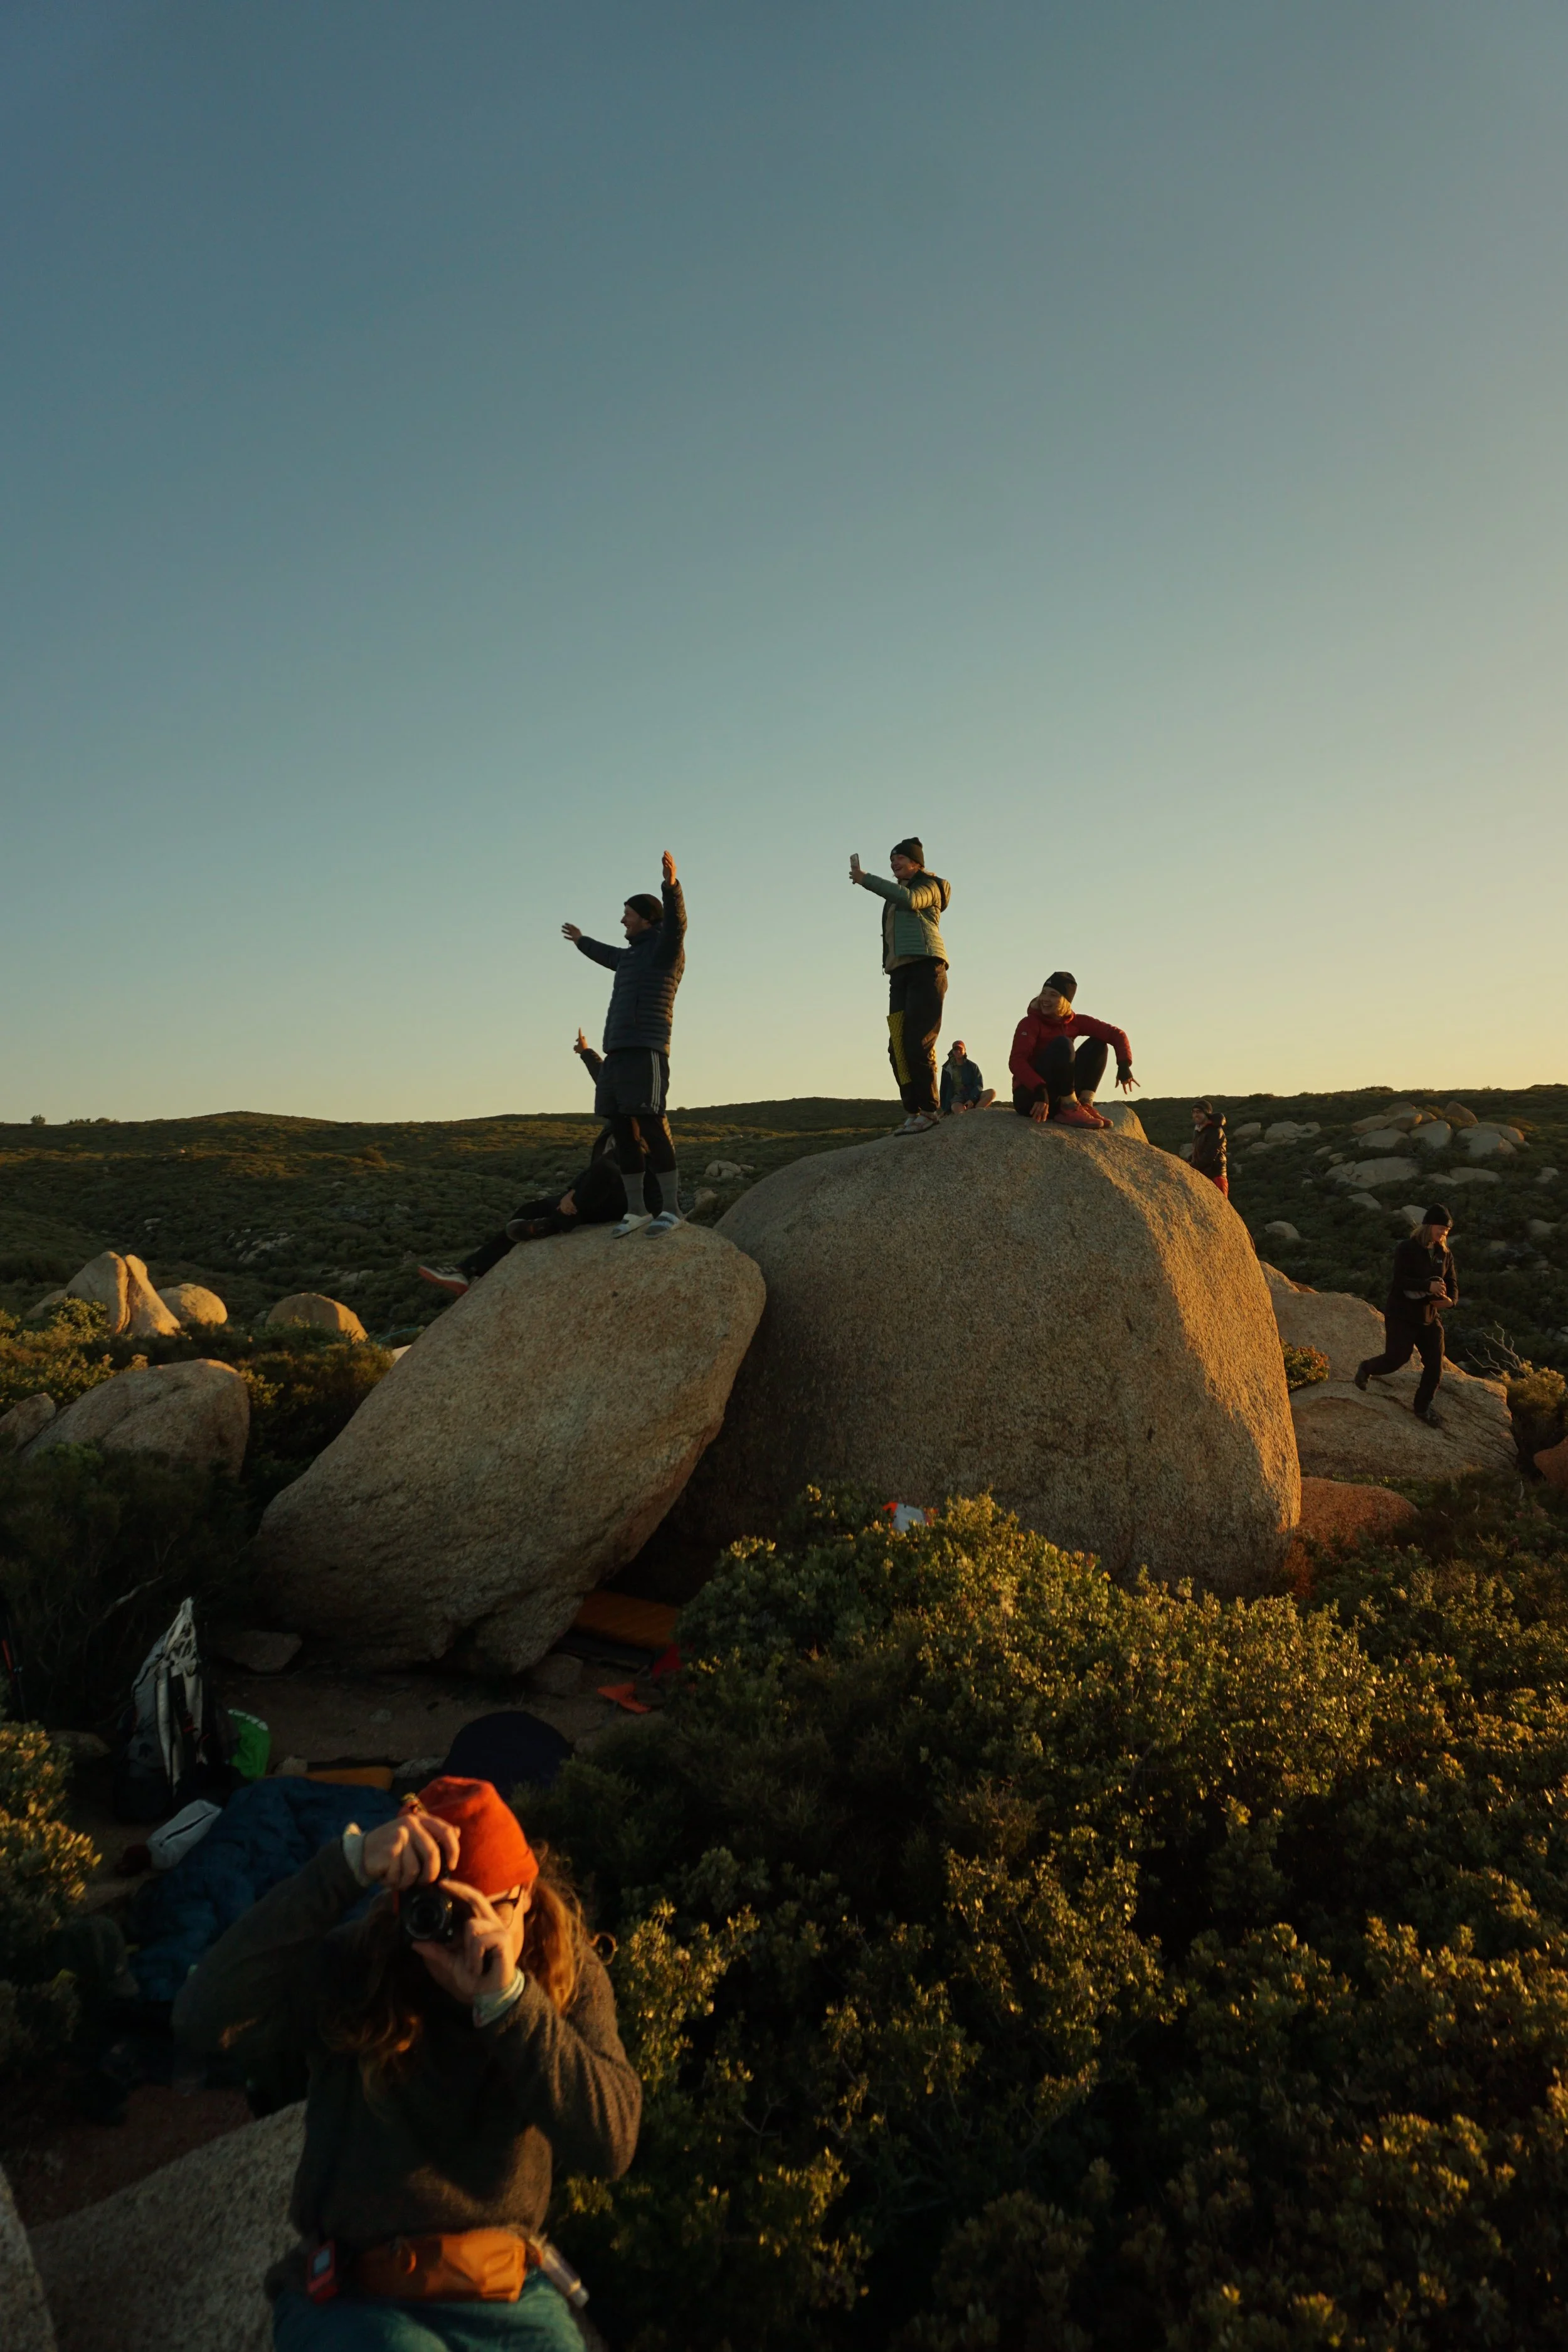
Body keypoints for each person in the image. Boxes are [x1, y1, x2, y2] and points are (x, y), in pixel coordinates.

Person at [173, 1774, 640, 2350]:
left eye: (488, 1913)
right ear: (408, 1912)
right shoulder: (363, 1967)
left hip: (507, 2292)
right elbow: (201, 2019)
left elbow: (612, 2144)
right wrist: (343, 1867)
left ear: (526, 1896)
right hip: (363, 2294)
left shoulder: (562, 1970)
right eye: (444, 1915)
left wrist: (511, 2005)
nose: (466, 1940)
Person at [417, 1034, 651, 1296]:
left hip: (629, 1202)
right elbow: (603, 1076)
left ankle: (553, 1225)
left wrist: (573, 1190)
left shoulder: (640, 1116)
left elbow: (616, 1162)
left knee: (602, 1172)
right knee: (531, 1208)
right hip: (600, 1195)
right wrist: (586, 1053)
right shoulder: (619, 1110)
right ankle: (468, 1271)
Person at [563, 852, 686, 1236]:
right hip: (616, 1053)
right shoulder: (629, 957)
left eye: (627, 914)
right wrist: (582, 942)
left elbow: (678, 925)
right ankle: (636, 1211)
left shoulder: (665, 951)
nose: (622, 920)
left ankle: (672, 1210)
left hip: (646, 1049)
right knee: (624, 1131)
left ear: (646, 918)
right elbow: (606, 954)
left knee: (650, 1126)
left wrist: (671, 887)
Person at [848, 837, 952, 1135]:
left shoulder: (928, 886)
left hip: (926, 968)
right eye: (892, 860)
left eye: (900, 859)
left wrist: (866, 879)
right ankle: (914, 1110)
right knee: (897, 1047)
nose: (895, 864)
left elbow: (910, 901)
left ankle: (931, 1110)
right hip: (900, 974)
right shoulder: (897, 893)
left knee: (917, 1042)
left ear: (917, 863)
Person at [1355, 1205, 1458, 1427]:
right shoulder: (1407, 1249)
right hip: (1402, 1313)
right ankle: (1367, 1368)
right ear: (1429, 1226)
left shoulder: (1444, 1254)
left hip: (1429, 1316)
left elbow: (1451, 1282)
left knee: (1435, 1364)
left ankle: (1422, 1407)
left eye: (1447, 1231)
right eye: (1441, 1229)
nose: (1444, 1234)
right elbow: (1400, 1281)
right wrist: (1427, 1286)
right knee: (1397, 1359)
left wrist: (1451, 1301)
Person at [1008, 973, 1135, 1128]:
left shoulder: (1074, 1021)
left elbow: (1115, 1034)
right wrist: (1039, 1089)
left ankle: (1084, 1103)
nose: (1045, 999)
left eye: (1053, 995)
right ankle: (1068, 1106)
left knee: (1098, 1043)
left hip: (1059, 1094)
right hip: (1033, 1098)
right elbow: (1017, 1061)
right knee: (1063, 1044)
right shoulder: (1030, 1023)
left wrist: (1124, 1064)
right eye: (1044, 993)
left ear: (1064, 1001)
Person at [939, 1042, 995, 1116]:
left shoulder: (972, 1066)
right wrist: (945, 1109)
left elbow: (979, 1085)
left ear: (965, 1050)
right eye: (956, 1049)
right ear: (952, 1051)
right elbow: (943, 1089)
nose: (958, 1051)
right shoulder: (947, 1068)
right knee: (959, 1111)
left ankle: (975, 1111)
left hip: (972, 1093)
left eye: (960, 1049)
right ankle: (966, 1112)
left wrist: (972, 1099)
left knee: (992, 1093)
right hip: (957, 1098)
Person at [1190, 1099, 1228, 1195]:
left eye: (1199, 1112)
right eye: (1194, 1112)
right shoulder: (1199, 1131)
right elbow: (1198, 1152)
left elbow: (1209, 1156)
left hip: (1216, 1176)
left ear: (1207, 1113)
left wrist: (1191, 1166)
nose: (1195, 1115)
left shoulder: (1215, 1131)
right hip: (1203, 1175)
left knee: (1220, 1208)